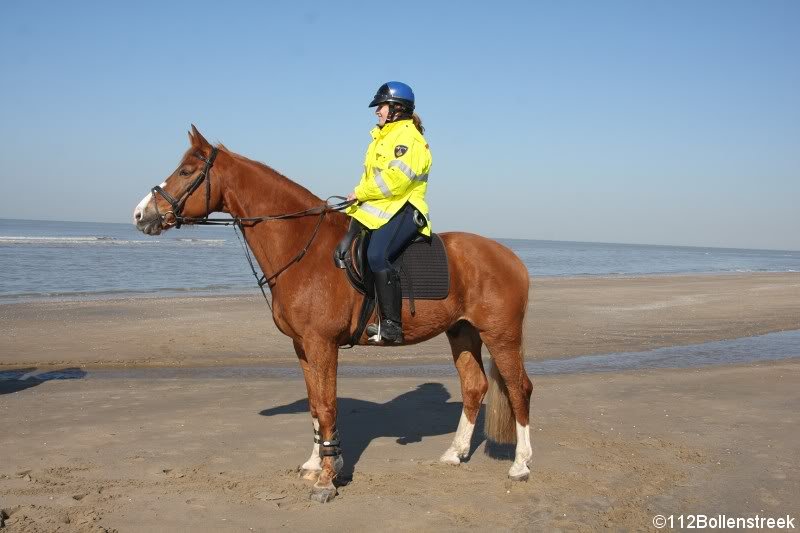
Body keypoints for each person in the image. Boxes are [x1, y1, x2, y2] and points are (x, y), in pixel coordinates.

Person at [339, 81, 432, 344]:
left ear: (396, 109)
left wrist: (361, 192)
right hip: (384, 208)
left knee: (377, 255)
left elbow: (396, 180)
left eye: (380, 106)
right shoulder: (381, 139)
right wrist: (355, 203)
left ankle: (392, 326)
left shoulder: (409, 138)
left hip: (407, 208)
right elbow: (373, 180)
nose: (376, 112)